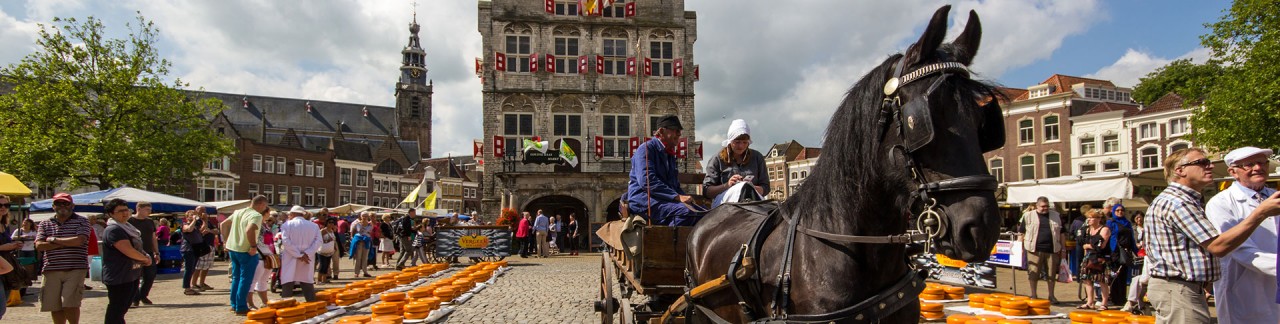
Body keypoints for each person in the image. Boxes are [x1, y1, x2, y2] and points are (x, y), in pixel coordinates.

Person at [1144, 148, 1280, 323]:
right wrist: (1260, 213)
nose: (1209, 166)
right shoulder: (1179, 203)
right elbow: (1220, 247)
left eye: (1262, 162)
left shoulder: (1186, 201)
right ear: (1180, 170)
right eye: (1201, 163)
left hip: (1185, 287)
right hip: (1181, 288)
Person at [1205, 147, 1278, 323]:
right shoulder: (1220, 203)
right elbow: (1241, 251)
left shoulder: (1274, 196)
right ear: (1233, 172)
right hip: (1242, 287)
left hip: (1275, 283)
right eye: (1250, 164)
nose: (1258, 168)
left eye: (1262, 162)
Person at [626, 114, 699, 226]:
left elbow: (674, 185)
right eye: (675, 130)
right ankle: (669, 241)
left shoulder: (669, 154)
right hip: (644, 201)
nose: (679, 134)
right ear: (661, 131)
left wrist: (687, 199)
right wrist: (677, 197)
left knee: (702, 212)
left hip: (662, 200)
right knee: (686, 213)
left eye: (679, 131)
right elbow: (647, 181)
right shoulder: (646, 149)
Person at [36, 192, 92, 324]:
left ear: (72, 205)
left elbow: (79, 241)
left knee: (70, 302)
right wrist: (64, 243)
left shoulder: (82, 221)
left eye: (66, 203)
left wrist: (54, 240)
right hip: (51, 268)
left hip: (75, 268)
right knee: (53, 305)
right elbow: (39, 245)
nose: (62, 206)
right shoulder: (45, 223)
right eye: (58, 203)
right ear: (53, 206)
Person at [100, 199, 150, 324]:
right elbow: (128, 250)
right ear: (111, 214)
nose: (125, 213)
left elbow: (137, 247)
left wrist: (146, 256)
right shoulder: (114, 230)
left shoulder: (128, 227)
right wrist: (144, 259)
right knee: (117, 309)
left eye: (126, 210)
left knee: (123, 308)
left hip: (130, 273)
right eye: (120, 211)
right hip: (118, 275)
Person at [703, 119, 770, 207]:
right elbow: (707, 191)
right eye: (737, 142)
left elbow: (766, 187)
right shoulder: (717, 159)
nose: (741, 146)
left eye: (745, 142)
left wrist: (750, 188)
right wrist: (728, 185)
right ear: (730, 141)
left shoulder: (757, 157)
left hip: (753, 201)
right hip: (724, 204)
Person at [223, 195, 266, 316]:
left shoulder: (238, 211)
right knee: (245, 279)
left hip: (233, 248)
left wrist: (226, 241)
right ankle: (241, 306)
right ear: (261, 204)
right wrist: (253, 246)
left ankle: (234, 304)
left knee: (236, 278)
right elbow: (249, 230)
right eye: (264, 206)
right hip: (245, 250)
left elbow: (224, 224)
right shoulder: (256, 215)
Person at [1017, 196, 1065, 304]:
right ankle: (1033, 294)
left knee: (1051, 274)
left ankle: (1051, 295)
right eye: (1043, 206)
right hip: (1033, 249)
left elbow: (1062, 234)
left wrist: (1063, 249)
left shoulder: (1056, 216)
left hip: (1052, 249)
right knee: (1033, 272)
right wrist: (1019, 248)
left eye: (1047, 206)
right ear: (1037, 206)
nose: (1045, 208)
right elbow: (1021, 233)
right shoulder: (1028, 215)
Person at [279, 206, 322, 301]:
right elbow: (319, 241)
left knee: (288, 281)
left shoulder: (287, 225)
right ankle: (311, 304)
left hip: (291, 257)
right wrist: (307, 253)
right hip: (307, 258)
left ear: (293, 214)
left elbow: (285, 241)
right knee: (307, 281)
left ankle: (285, 306)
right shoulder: (314, 226)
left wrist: (299, 254)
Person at [1104, 202, 1138, 308]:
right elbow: (1108, 237)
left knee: (1123, 275)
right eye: (1117, 210)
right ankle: (1115, 298)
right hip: (1115, 251)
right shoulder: (1111, 222)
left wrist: (1136, 251)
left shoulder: (1127, 223)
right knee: (1115, 275)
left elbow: (1131, 238)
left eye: (1122, 210)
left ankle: (1122, 298)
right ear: (1113, 211)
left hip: (1125, 251)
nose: (1120, 212)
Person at [126, 201, 159, 307]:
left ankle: (143, 295)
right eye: (147, 209)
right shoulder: (130, 221)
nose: (149, 212)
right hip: (135, 252)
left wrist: (156, 252)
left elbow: (153, 238)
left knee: (150, 275)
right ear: (139, 209)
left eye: (150, 209)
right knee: (135, 276)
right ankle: (135, 298)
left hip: (148, 252)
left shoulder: (150, 222)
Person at [1079, 209, 1112, 310]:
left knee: (1102, 281)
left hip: (1100, 258)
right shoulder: (1087, 229)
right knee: (1087, 280)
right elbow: (1081, 243)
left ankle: (1104, 303)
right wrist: (1087, 247)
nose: (1089, 219)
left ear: (1099, 219)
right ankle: (1090, 302)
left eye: (1092, 217)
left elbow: (1101, 246)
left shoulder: (1104, 229)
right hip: (1088, 257)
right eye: (1088, 217)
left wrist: (1087, 245)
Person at [1122, 211, 1151, 313]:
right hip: (1140, 256)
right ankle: (1137, 304)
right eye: (1137, 218)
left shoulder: (1148, 229)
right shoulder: (1133, 229)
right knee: (1137, 279)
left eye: (1141, 217)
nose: (1139, 219)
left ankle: (1134, 303)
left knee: (1139, 280)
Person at [179, 210, 205, 296]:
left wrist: (204, 220)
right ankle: (187, 288)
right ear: (187, 217)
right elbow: (189, 229)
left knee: (192, 269)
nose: (194, 216)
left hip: (195, 249)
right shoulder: (185, 224)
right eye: (191, 215)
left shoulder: (196, 225)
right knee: (189, 269)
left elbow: (203, 229)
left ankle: (189, 287)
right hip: (188, 249)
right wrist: (194, 220)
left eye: (195, 214)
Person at [12, 218, 39, 296]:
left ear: (30, 224)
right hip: (21, 251)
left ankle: (25, 289)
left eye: (27, 223)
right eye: (24, 223)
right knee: (20, 269)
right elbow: (12, 238)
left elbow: (38, 238)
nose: (25, 224)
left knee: (29, 270)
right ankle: (20, 289)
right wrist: (22, 237)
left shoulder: (33, 231)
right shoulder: (18, 231)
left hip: (30, 251)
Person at [193, 210, 218, 291]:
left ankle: (202, 283)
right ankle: (194, 284)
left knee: (206, 266)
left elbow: (216, 231)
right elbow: (201, 231)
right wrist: (205, 221)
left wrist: (210, 230)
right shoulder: (196, 221)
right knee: (199, 266)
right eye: (201, 210)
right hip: (201, 246)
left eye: (204, 210)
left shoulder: (209, 221)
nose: (204, 212)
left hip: (210, 245)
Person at [349, 212, 374, 278]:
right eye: (363, 216)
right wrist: (353, 238)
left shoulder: (370, 224)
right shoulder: (357, 224)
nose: (364, 217)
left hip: (366, 241)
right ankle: (356, 272)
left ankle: (365, 272)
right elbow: (353, 231)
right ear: (360, 216)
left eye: (366, 216)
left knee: (365, 258)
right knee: (358, 258)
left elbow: (370, 232)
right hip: (359, 242)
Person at [316, 219, 337, 284]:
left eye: (332, 223)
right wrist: (325, 241)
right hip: (322, 251)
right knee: (322, 265)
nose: (331, 224)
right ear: (326, 223)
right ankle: (318, 280)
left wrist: (334, 247)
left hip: (330, 251)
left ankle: (324, 279)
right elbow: (318, 239)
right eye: (329, 222)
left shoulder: (332, 231)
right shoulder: (323, 231)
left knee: (327, 265)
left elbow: (334, 240)